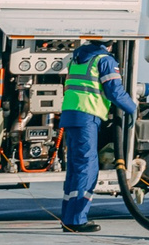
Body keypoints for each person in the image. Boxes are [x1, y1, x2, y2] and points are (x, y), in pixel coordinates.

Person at [58, 37, 140, 233]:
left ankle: (68, 218)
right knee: (87, 168)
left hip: (71, 114)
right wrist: (133, 109)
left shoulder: (77, 58)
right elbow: (115, 92)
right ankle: (77, 220)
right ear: (109, 44)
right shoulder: (104, 60)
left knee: (75, 169)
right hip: (87, 117)